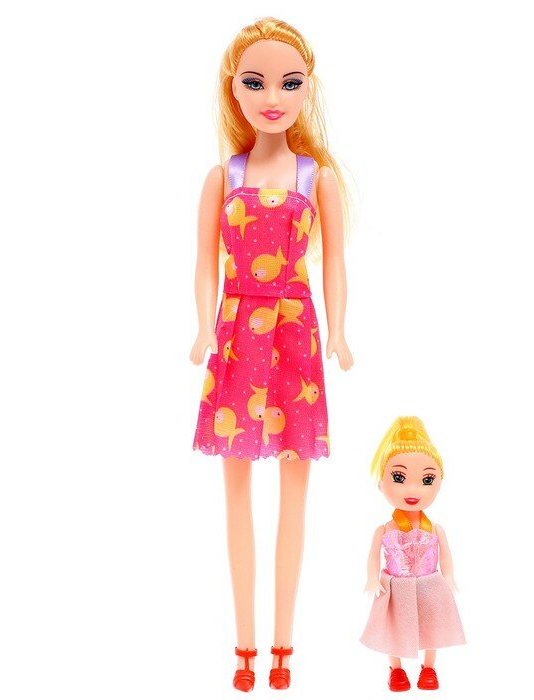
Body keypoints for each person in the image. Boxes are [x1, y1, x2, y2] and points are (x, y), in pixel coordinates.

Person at [189, 17, 353, 691]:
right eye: (255, 82)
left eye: (289, 82)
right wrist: (203, 327)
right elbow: (204, 261)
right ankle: (244, 643)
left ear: (308, 87)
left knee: (293, 498)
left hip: (294, 335)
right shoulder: (222, 176)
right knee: (236, 497)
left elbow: (334, 260)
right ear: (234, 89)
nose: (273, 96)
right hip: (235, 334)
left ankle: (283, 642)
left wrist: (338, 330)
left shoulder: (318, 178)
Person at [361, 417, 465, 691]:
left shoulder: (435, 529)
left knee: (432, 627)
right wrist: (372, 579)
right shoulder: (385, 529)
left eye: (427, 480)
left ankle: (429, 667)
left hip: (429, 584)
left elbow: (446, 554)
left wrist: (449, 577)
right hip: (396, 587)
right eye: (399, 478)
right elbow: (373, 556)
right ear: (381, 484)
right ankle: (396, 669)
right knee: (393, 629)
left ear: (439, 483)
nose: (412, 489)